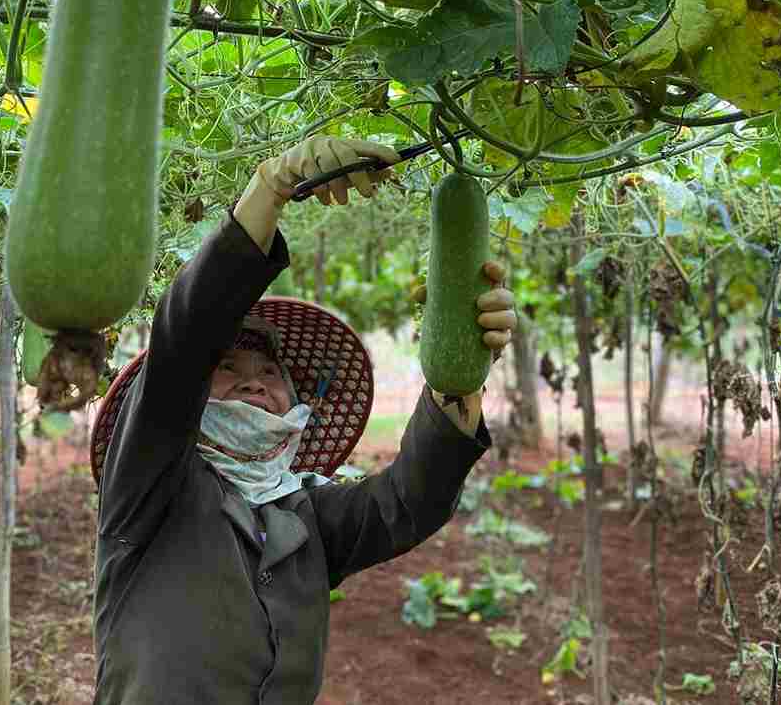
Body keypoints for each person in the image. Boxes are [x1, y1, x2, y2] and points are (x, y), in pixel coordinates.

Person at [89, 136, 517, 704]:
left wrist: (459, 384)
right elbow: (185, 344)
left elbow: (406, 506)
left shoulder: (304, 509)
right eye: (228, 365)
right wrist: (271, 188)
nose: (254, 380)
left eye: (269, 372)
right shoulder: (149, 481)